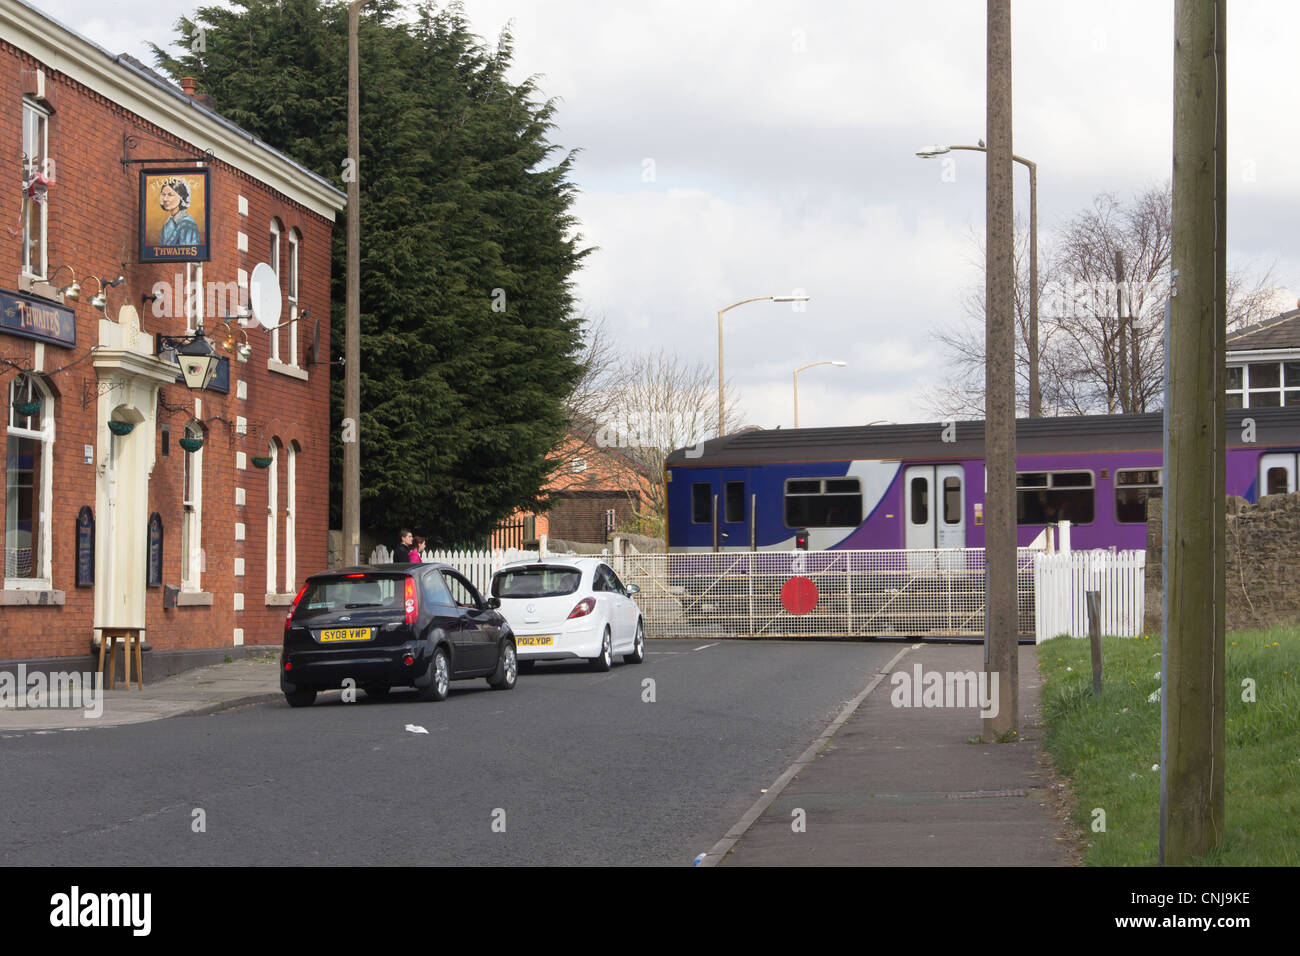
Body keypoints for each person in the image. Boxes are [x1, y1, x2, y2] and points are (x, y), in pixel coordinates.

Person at [157, 178, 201, 247]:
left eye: (170, 195)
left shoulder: (187, 224)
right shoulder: (167, 224)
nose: (165, 199)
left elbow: (188, 254)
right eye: (163, 194)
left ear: (181, 197)